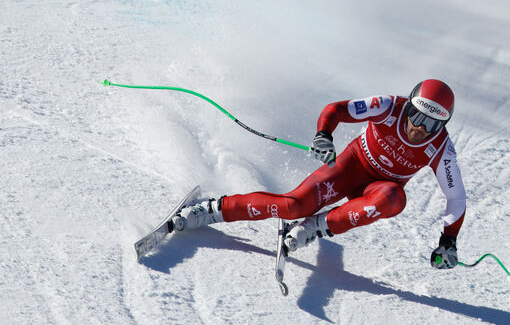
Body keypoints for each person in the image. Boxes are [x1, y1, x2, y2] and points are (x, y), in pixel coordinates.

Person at [172, 79, 466, 269]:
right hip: (350, 167)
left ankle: (315, 227)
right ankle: (212, 209)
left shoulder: (441, 148)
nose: (419, 128)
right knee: (293, 206)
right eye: (416, 116)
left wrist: (448, 241)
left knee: (393, 198)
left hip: (378, 189)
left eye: (431, 124)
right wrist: (324, 135)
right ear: (409, 106)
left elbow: (456, 197)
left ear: (442, 126)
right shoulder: (389, 106)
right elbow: (337, 109)